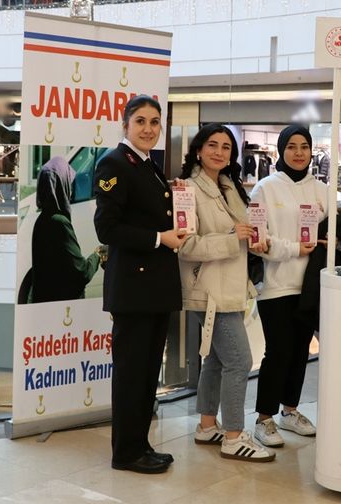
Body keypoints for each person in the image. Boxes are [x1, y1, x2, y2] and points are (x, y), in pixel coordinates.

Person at [93, 95, 188, 474]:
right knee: (132, 373)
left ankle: (139, 444)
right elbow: (107, 228)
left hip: (155, 287)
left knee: (148, 372)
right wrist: (158, 238)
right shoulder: (113, 163)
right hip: (134, 287)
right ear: (125, 124)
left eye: (154, 122)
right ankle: (126, 453)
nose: (149, 129)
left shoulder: (147, 164)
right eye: (141, 122)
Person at [177, 123, 275, 463]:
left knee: (217, 360)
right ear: (199, 149)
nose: (220, 152)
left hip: (232, 287)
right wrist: (233, 237)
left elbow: (245, 230)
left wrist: (256, 239)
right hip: (210, 291)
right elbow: (187, 245)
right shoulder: (187, 189)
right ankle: (234, 436)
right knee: (240, 360)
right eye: (212, 145)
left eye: (226, 147)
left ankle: (207, 425)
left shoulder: (229, 186)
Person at [250, 124, 328, 448]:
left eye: (304, 147)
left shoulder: (321, 189)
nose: (298, 153)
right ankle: (264, 417)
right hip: (276, 285)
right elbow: (257, 241)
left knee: (300, 353)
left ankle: (290, 411)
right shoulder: (265, 188)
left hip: (309, 286)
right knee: (278, 352)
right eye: (292, 146)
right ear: (281, 151)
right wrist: (294, 248)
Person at [30, 156, 101, 303]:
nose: (70, 191)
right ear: (62, 186)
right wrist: (97, 255)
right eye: (68, 183)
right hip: (63, 309)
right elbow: (81, 273)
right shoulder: (59, 223)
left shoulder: (42, 220)